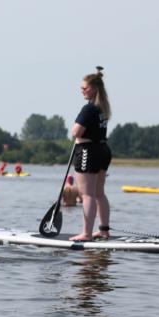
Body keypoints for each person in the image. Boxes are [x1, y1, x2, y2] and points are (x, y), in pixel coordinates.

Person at [69, 67, 112, 242]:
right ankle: (103, 230)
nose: (82, 90)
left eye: (84, 88)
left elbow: (76, 132)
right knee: (99, 193)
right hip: (103, 151)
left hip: (88, 151)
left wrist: (74, 130)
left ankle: (86, 234)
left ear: (94, 88)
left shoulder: (88, 109)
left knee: (87, 194)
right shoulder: (102, 108)